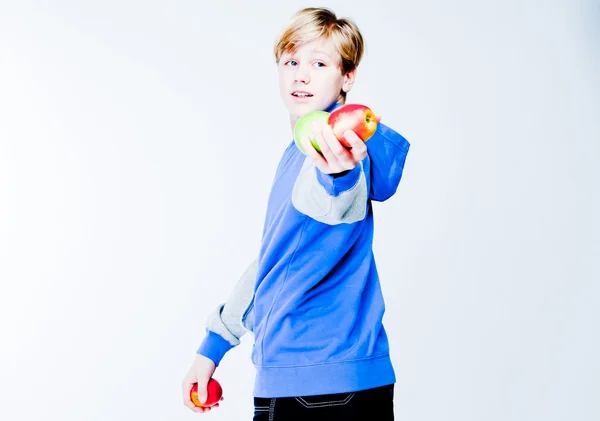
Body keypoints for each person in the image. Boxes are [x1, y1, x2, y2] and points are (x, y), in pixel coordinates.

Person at [181, 7, 410, 420]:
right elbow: (278, 260)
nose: (300, 75)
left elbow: (338, 202)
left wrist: (338, 174)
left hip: (307, 385)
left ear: (347, 76)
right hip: (356, 379)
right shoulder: (296, 154)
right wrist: (214, 345)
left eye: (319, 63)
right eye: (291, 62)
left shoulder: (334, 153)